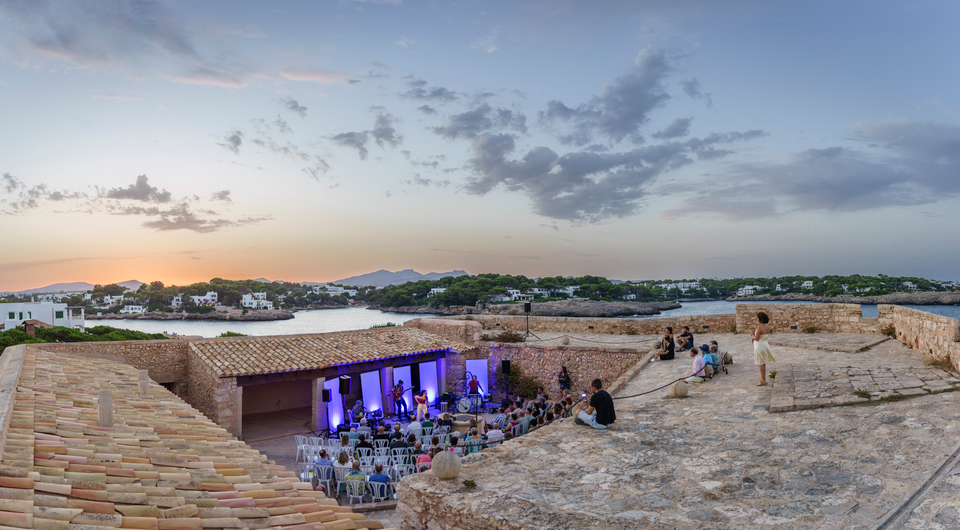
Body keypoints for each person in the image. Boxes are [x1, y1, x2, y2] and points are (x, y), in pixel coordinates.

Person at [752, 311, 776, 386]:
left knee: (760, 363)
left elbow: (756, 338)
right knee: (763, 363)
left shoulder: (759, 327)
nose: (757, 320)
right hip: (765, 345)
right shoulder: (767, 326)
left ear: (760, 319)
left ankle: (763, 380)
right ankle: (762, 378)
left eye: (757, 318)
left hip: (759, 346)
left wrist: (752, 334)